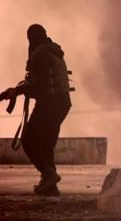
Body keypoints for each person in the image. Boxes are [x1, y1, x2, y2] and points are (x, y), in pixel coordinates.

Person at [2, 24, 72, 196]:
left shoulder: (40, 55)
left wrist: (16, 91)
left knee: (29, 140)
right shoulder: (53, 52)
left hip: (49, 104)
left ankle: (48, 175)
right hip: (62, 104)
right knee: (46, 144)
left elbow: (37, 84)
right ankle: (50, 184)